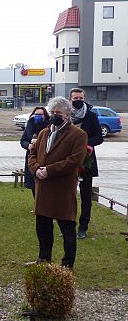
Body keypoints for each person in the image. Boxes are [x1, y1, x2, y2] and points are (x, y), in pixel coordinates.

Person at [28, 96, 88, 268]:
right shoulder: (44, 133)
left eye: (58, 113)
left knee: (67, 228)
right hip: (43, 187)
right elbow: (32, 154)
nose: (54, 115)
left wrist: (49, 170)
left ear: (67, 116)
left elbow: (74, 160)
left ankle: (67, 264)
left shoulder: (78, 135)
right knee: (43, 227)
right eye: (52, 112)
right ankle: (44, 258)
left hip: (62, 188)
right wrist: (36, 168)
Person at [69, 88, 103, 239]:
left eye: (80, 97)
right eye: (75, 97)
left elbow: (99, 137)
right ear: (70, 99)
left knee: (85, 196)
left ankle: (83, 227)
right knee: (66, 194)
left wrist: (86, 143)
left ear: (84, 99)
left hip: (86, 160)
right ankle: (67, 223)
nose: (78, 100)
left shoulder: (91, 116)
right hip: (67, 159)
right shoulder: (65, 115)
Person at [20, 106, 50, 198]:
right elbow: (23, 141)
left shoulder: (49, 125)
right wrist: (28, 146)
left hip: (45, 157)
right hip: (32, 156)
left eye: (40, 115)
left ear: (45, 115)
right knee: (33, 183)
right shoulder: (30, 123)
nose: (37, 116)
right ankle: (36, 204)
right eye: (36, 114)